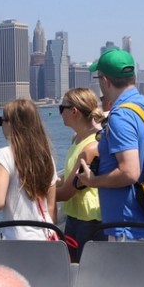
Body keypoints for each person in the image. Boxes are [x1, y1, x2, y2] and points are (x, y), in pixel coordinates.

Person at [74, 49, 144, 240]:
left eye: (99, 78)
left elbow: (129, 172)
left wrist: (92, 181)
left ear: (105, 81)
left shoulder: (120, 117)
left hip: (129, 227)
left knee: (127, 271)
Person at [0, 99, 58, 240]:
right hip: (46, 236)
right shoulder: (46, 157)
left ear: (12, 124)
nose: (1, 125)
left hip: (18, 240)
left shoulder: (4, 155)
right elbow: (51, 206)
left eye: (1, 120)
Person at [52, 87, 103, 260]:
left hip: (89, 220)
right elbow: (68, 178)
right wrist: (52, 181)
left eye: (62, 109)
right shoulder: (77, 139)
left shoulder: (91, 147)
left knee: (85, 272)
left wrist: (34, 194)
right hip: (75, 217)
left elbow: (67, 192)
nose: (60, 113)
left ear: (74, 111)